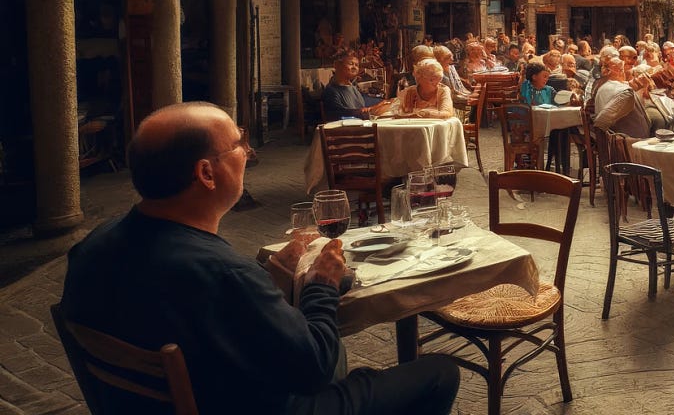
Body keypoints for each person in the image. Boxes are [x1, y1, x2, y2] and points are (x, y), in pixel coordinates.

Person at [61, 103, 459, 414]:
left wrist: (269, 275)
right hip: (263, 406)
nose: (248, 153)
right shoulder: (223, 273)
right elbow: (315, 365)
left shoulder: (92, 248)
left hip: (187, 400)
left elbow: (206, 312)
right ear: (206, 173)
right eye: (238, 144)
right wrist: (321, 285)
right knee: (439, 373)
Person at [321, 54, 390, 121]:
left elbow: (363, 102)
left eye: (357, 65)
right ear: (337, 65)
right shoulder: (331, 91)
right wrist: (369, 110)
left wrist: (383, 102)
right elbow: (339, 115)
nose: (354, 67)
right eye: (351, 64)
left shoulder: (352, 87)